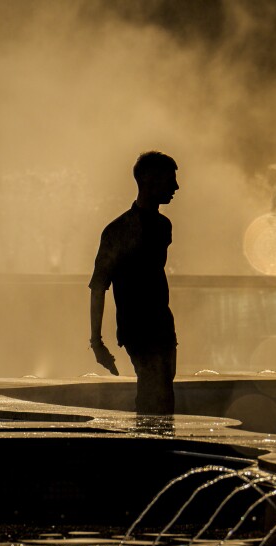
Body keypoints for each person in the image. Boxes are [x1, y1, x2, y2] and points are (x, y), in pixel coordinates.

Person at [88, 151, 179, 415]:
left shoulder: (164, 227)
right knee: (155, 394)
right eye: (169, 180)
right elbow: (98, 287)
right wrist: (97, 343)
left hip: (162, 326)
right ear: (148, 180)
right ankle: (152, 447)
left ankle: (155, 445)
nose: (176, 187)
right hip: (139, 328)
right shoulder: (118, 231)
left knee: (162, 393)